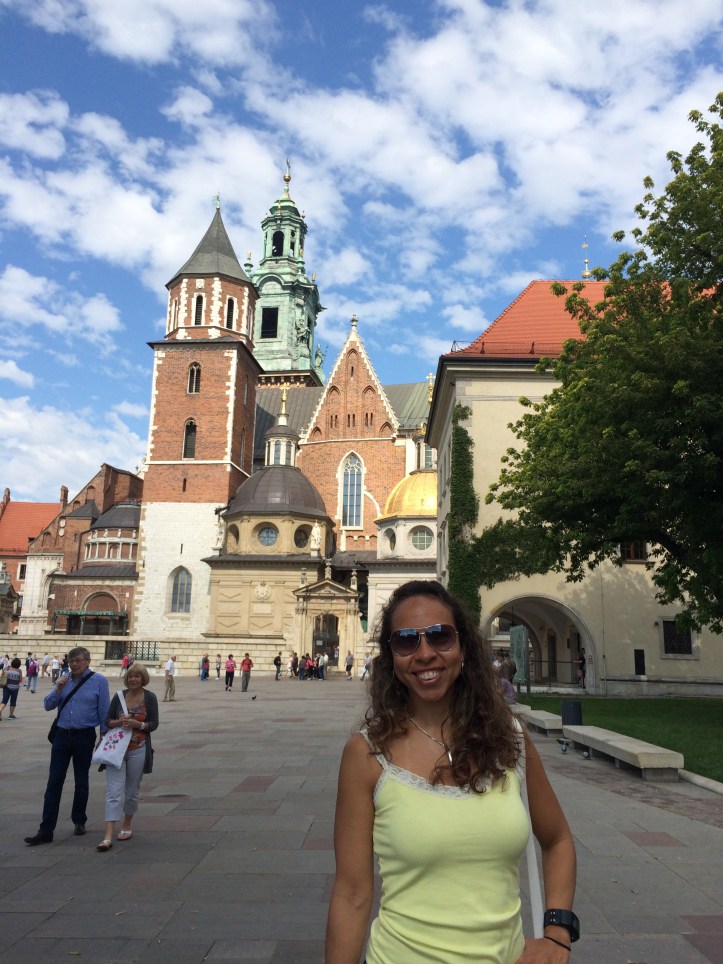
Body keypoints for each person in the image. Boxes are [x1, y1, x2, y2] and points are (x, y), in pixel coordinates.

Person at [325, 580, 577, 963]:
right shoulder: (366, 755)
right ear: (391, 657)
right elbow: (352, 894)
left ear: (463, 647)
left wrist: (557, 934)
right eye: (407, 641)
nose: (425, 654)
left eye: (441, 637)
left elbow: (557, 839)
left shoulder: (509, 737)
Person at [25, 646, 110, 846]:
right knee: (54, 781)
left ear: (88, 661)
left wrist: (103, 737)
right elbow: (47, 705)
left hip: (84, 736)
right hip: (62, 735)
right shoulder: (64, 680)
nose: (74, 665)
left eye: (78, 660)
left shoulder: (99, 681)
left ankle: (79, 820)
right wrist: (58, 689)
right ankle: (46, 829)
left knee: (81, 780)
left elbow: (104, 710)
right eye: (71, 661)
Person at [96, 663, 159, 851]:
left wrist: (136, 724)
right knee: (113, 792)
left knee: (131, 791)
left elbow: (154, 723)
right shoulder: (118, 696)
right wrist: (118, 722)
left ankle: (126, 824)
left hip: (138, 748)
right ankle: (107, 835)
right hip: (117, 751)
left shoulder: (150, 697)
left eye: (137, 676)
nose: (133, 679)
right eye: (131, 676)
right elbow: (107, 720)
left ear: (143, 679)